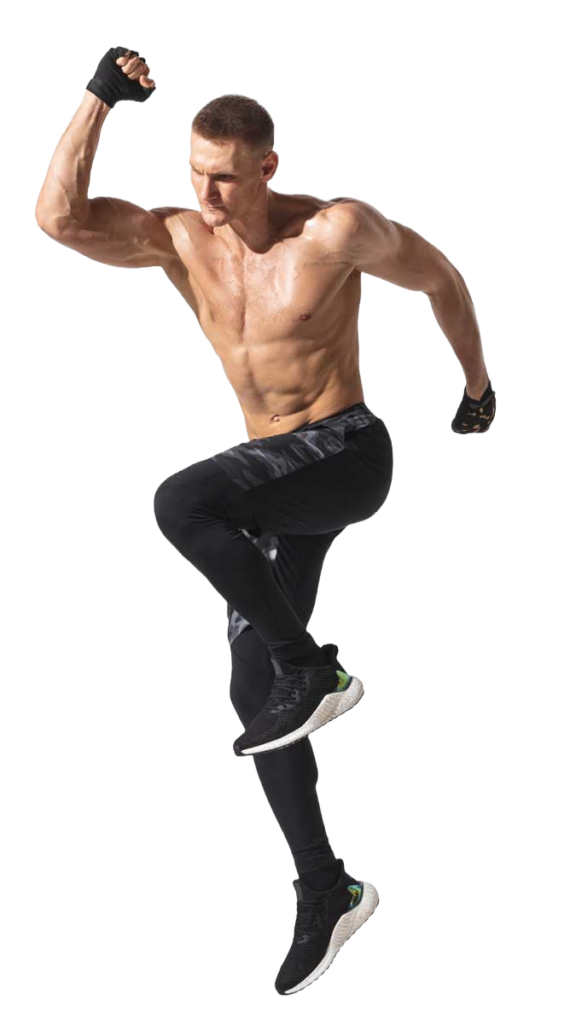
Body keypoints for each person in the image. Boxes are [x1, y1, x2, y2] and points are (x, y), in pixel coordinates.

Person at [34, 47, 493, 996]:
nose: (207, 196)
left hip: (347, 452)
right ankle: (328, 889)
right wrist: (97, 101)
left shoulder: (335, 230)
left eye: (227, 179)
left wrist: (477, 386)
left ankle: (314, 667)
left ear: (269, 167)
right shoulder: (180, 238)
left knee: (180, 500)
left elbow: (441, 277)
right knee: (256, 703)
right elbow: (59, 220)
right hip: (271, 484)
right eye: (195, 173)